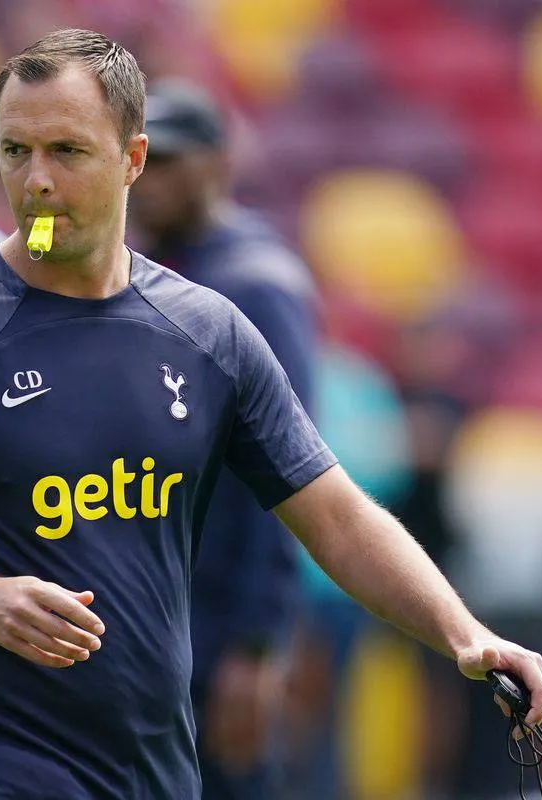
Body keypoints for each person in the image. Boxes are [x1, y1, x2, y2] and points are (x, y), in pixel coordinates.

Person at [0, 28, 542, 800]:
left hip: (157, 771)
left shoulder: (208, 331)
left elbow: (335, 516)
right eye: (15, 151)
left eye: (67, 152)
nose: (36, 181)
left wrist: (464, 634)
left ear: (133, 159)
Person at [129, 78, 318, 799]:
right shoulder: (162, 271)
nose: (148, 181)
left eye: (168, 161)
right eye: (141, 160)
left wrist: (259, 642)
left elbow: (288, 472)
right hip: (162, 614)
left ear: (217, 164)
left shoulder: (254, 284)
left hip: (217, 624)